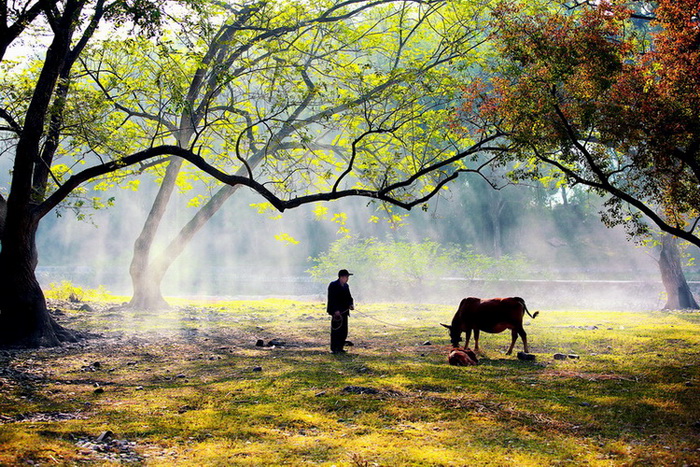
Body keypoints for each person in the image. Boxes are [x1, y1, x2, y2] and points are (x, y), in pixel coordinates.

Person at [326, 269, 354, 354]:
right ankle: (334, 349)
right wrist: (335, 310)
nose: (347, 278)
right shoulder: (333, 285)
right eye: (346, 277)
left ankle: (340, 347)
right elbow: (332, 299)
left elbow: (349, 297)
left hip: (344, 311)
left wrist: (351, 304)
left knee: (344, 331)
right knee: (336, 331)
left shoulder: (346, 286)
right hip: (336, 313)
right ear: (342, 277)